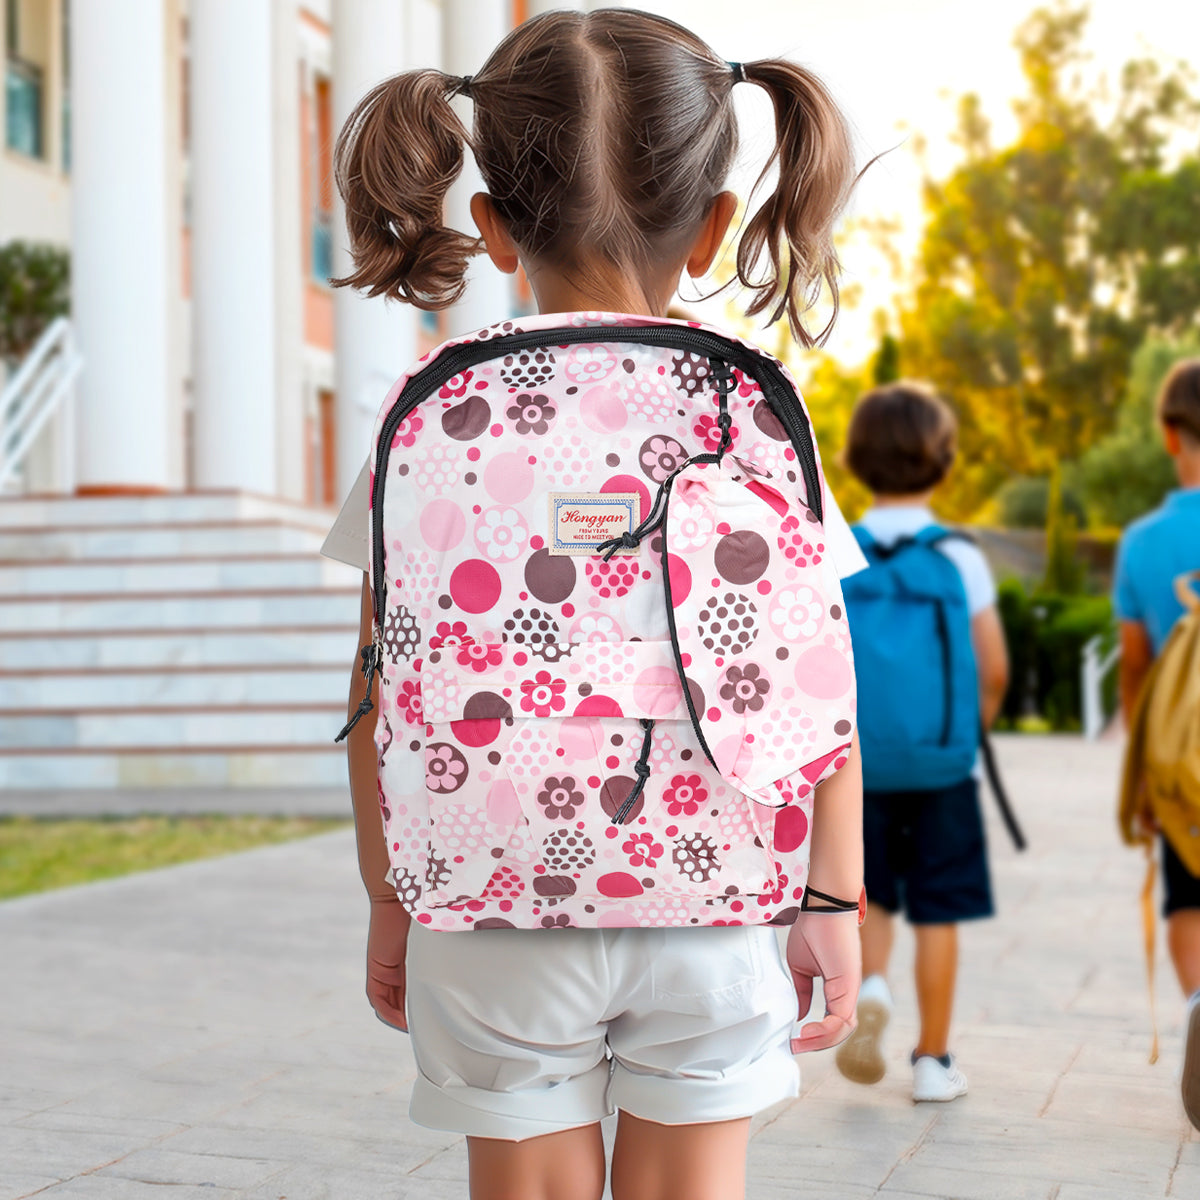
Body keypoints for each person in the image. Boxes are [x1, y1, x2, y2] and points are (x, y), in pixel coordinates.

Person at [319, 10, 870, 1200]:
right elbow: (815, 681)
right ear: (716, 225)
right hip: (716, 897)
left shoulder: (431, 415)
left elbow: (375, 688)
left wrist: (387, 897)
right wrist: (832, 894)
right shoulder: (757, 414)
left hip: (485, 899)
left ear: (492, 229)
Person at [833, 383, 1009, 1103]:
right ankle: (934, 1062)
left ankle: (871, 984)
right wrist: (964, 734)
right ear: (945, 463)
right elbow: (992, 668)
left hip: (856, 768)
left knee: (872, 895)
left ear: (855, 462)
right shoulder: (959, 557)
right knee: (940, 910)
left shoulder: (836, 550)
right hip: (940, 766)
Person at [1113, 358, 1200, 1129]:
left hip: (1182, 766)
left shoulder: (1144, 543)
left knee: (1186, 894)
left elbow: (1135, 671)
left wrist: (1141, 778)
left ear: (1171, 434)